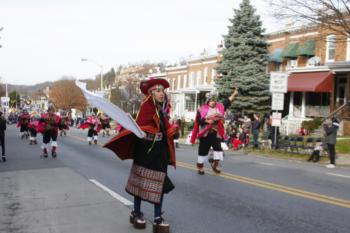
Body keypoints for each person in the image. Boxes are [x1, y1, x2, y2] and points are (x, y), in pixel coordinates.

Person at [104, 77, 177, 233]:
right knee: (140, 182)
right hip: (145, 149)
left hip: (159, 151)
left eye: (162, 90)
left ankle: (157, 217)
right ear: (150, 93)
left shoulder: (164, 109)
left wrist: (172, 131)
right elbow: (142, 126)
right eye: (157, 90)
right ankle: (136, 212)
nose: (161, 93)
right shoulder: (146, 107)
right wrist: (151, 131)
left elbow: (166, 129)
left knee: (160, 184)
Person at [190, 89, 238, 175]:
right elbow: (198, 121)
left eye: (214, 100)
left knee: (218, 151)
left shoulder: (219, 107)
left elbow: (227, 101)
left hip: (216, 133)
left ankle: (214, 165)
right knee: (203, 152)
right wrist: (206, 121)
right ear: (207, 101)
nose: (213, 102)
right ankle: (200, 167)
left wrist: (234, 94)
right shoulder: (202, 109)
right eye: (211, 100)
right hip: (205, 134)